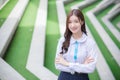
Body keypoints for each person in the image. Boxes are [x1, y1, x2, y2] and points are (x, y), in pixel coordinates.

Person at [55, 9, 98, 80]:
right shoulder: (62, 40)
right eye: (69, 22)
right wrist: (82, 66)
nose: (72, 25)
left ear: (82, 22)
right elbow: (58, 65)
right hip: (64, 77)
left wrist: (67, 63)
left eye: (76, 21)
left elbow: (91, 68)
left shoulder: (90, 43)